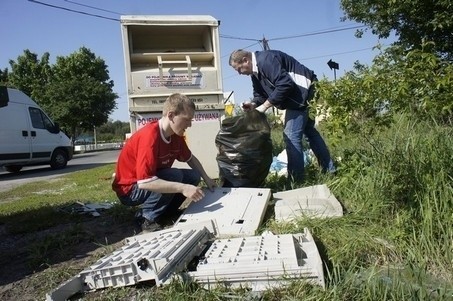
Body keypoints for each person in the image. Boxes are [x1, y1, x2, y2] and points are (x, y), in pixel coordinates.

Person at [112, 93, 217, 232]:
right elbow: (144, 182)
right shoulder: (150, 136)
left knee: (193, 176)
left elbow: (190, 158)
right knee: (174, 177)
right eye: (187, 120)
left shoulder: (176, 135)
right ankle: (145, 218)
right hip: (130, 190)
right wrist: (183, 188)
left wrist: (206, 177)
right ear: (171, 115)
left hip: (148, 181)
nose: (190, 125)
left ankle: (165, 212)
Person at [229, 49, 335, 183]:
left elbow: (285, 83)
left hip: (304, 92)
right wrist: (253, 104)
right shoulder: (255, 73)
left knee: (291, 135)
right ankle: (329, 170)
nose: (239, 73)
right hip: (298, 95)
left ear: (245, 60)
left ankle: (296, 179)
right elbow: (260, 95)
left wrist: (265, 106)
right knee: (309, 132)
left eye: (239, 69)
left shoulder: (266, 60)